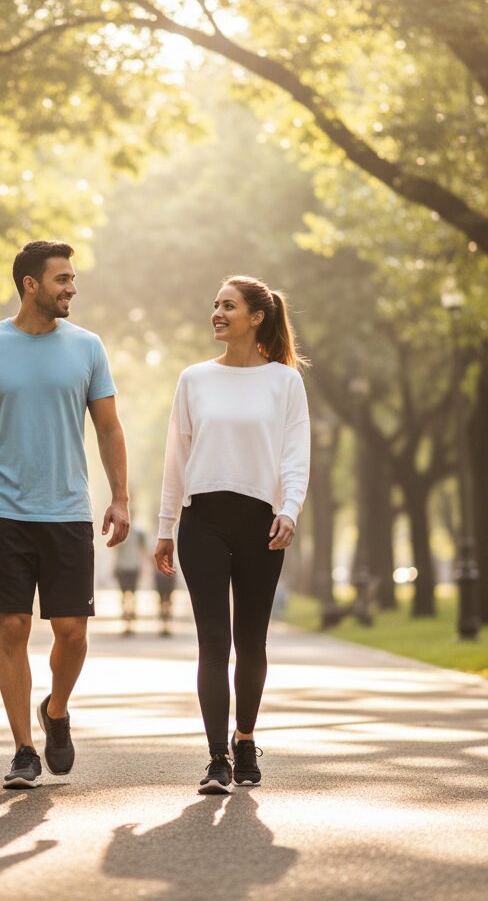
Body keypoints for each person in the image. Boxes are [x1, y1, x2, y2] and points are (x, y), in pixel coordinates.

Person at [0, 240, 130, 790]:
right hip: (2, 510)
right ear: (30, 284)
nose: (72, 288)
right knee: (13, 626)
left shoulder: (88, 347)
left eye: (72, 279)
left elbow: (109, 427)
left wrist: (120, 497)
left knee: (71, 632)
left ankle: (57, 710)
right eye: (62, 279)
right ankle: (23, 748)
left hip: (68, 509)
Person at [155, 275, 310, 795]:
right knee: (213, 642)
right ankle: (217, 758)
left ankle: (246, 740)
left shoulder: (284, 382)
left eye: (228, 306)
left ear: (256, 316)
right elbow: (176, 457)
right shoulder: (194, 379)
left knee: (251, 640)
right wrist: (165, 527)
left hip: (260, 523)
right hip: (202, 521)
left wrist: (289, 509)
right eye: (215, 305)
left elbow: (295, 453)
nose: (217, 313)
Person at [113, 529, 145, 635]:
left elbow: (142, 550)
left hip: (133, 567)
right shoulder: (118, 531)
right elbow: (114, 549)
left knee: (133, 594)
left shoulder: (139, 533)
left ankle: (131, 618)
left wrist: (142, 566)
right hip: (122, 567)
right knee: (123, 594)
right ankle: (125, 618)